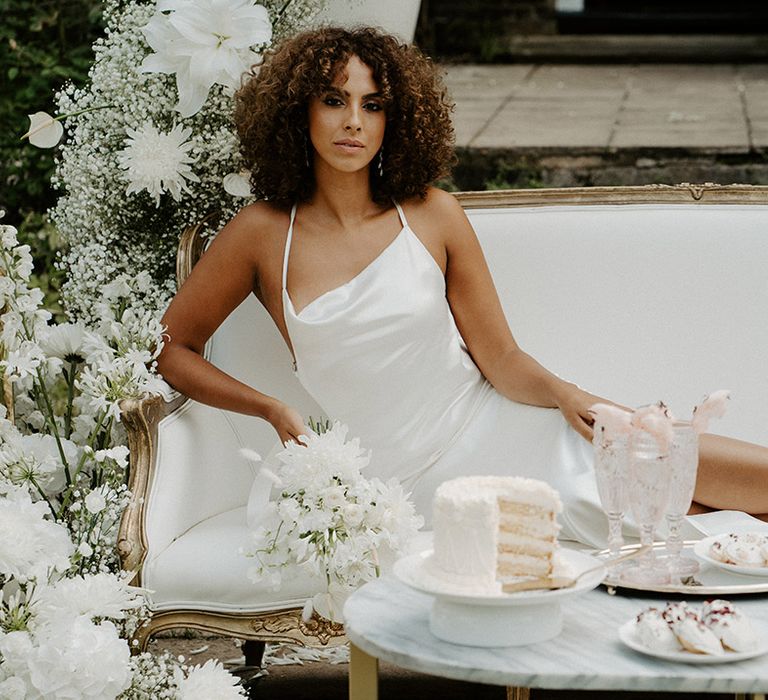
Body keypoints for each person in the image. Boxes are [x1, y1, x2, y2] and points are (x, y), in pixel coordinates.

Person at [157, 26, 768, 545]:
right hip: (402, 480)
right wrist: (269, 407)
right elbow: (172, 349)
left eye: (373, 105)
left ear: (395, 120)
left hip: (502, 426)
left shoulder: (432, 214)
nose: (353, 122)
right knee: (691, 523)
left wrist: (570, 397)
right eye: (333, 100)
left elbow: (498, 356)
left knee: (741, 485)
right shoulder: (262, 232)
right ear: (299, 111)